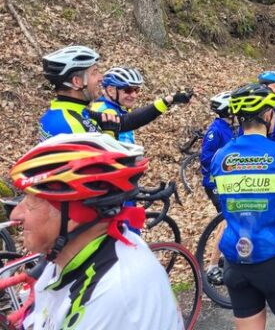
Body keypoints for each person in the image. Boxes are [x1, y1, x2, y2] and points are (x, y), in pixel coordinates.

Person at [9, 133, 184, 329]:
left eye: (32, 201)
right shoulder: (70, 257)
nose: (15, 214)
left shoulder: (110, 294)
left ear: (75, 214)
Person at [210, 84, 275, 330]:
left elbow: (218, 196)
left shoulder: (220, 156)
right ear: (268, 115)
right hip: (274, 256)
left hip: (234, 259)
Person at [39, 45, 193, 141]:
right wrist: (109, 135)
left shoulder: (71, 112)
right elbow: (103, 175)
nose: (101, 78)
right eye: (94, 73)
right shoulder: (71, 126)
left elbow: (125, 122)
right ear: (77, 82)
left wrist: (168, 100)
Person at [200, 90, 236, 212]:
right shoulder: (216, 130)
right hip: (215, 183)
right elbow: (206, 158)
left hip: (228, 181)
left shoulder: (229, 127)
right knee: (225, 218)